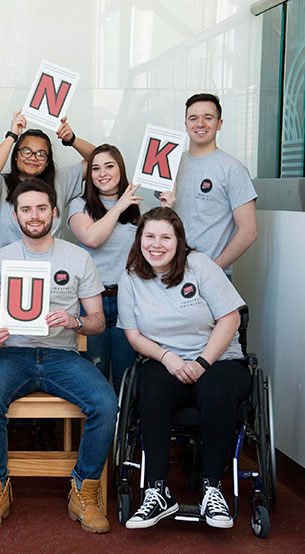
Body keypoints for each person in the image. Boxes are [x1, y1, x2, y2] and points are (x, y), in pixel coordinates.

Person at [0, 179, 117, 534]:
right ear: (15, 214)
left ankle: (84, 491)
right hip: (12, 354)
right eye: (26, 209)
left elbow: (98, 321)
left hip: (62, 353)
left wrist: (76, 320)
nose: (34, 216)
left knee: (105, 403)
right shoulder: (0, 259)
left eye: (41, 208)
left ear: (54, 212)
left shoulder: (77, 257)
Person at [117, 207, 250, 529]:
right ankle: (157, 490)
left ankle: (212, 488)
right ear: (139, 239)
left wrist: (202, 362)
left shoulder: (200, 266)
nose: (156, 244)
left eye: (166, 237)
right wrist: (167, 357)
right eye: (149, 236)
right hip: (165, 360)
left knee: (218, 391)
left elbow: (230, 319)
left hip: (219, 359)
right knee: (150, 389)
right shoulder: (131, 277)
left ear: (179, 241)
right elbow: (134, 336)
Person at [68, 144, 143, 394]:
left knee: (126, 379)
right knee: (94, 377)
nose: (102, 173)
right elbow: (92, 238)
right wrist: (119, 207)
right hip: (91, 302)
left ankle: (123, 434)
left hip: (126, 301)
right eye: (95, 168)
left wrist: (170, 206)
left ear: (120, 169)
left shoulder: (134, 207)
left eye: (109, 166)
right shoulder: (79, 206)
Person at [0, 110, 95, 253]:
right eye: (26, 151)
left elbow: (100, 160)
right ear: (16, 155)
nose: (33, 157)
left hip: (50, 268)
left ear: (47, 161)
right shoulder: (1, 184)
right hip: (8, 269)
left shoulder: (60, 180)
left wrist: (72, 139)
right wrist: (12, 136)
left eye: (41, 154)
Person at [170, 93, 258, 277]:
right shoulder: (171, 164)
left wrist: (211, 271)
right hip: (171, 272)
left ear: (219, 124)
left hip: (213, 275)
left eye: (208, 118)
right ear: (186, 125)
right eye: (193, 118)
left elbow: (249, 231)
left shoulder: (233, 169)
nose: (200, 124)